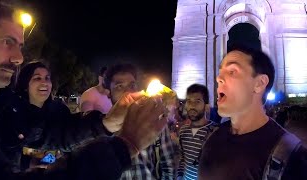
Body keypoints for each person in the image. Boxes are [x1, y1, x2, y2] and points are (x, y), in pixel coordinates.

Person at [0, 2, 169, 179]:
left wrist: (106, 123)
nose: (19, 58)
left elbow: (52, 134)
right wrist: (125, 147)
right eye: (7, 42)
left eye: (20, 46)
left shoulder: (7, 107)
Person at [198, 45, 307, 179]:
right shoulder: (212, 137)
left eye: (232, 71)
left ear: (259, 83)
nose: (218, 78)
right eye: (221, 71)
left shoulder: (293, 157)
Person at [104, 63, 175, 180]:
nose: (128, 93)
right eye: (119, 87)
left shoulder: (154, 122)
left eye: (132, 86)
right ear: (108, 93)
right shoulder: (99, 131)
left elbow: (169, 165)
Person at [176, 84, 216, 180]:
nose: (192, 106)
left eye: (197, 101)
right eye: (189, 101)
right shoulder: (183, 131)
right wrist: (179, 176)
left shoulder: (216, 132)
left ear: (206, 107)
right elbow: (182, 159)